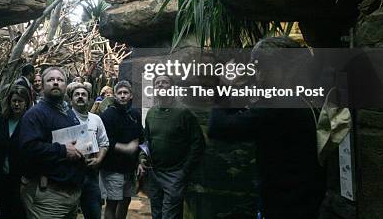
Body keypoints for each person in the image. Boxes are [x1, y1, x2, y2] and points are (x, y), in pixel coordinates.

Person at [207, 36, 326, 219]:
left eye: (260, 66)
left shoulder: (279, 106)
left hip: (284, 208)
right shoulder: (302, 98)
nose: (256, 73)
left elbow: (219, 127)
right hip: (304, 202)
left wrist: (223, 87)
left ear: (282, 68)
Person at [19, 66, 87, 219]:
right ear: (42, 86)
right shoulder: (35, 114)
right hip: (48, 194)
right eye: (50, 80)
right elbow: (28, 148)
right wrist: (62, 151)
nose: (56, 83)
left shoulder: (68, 111)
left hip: (71, 193)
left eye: (60, 80)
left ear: (66, 85)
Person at [139, 75, 205, 219]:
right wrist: (142, 158)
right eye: (157, 83)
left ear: (172, 87)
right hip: (154, 172)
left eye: (165, 82)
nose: (161, 85)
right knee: (156, 214)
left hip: (175, 174)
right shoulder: (151, 113)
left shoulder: (184, 113)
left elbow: (198, 143)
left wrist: (184, 170)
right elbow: (146, 140)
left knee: (170, 216)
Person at [0, 86, 31, 219]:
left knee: (19, 211)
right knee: (3, 210)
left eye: (20, 101)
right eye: (14, 100)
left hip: (21, 177)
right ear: (9, 102)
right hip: (1, 174)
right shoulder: (1, 120)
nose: (16, 104)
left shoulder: (30, 122)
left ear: (26, 102)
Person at [100, 80, 143, 219]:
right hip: (112, 167)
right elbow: (104, 140)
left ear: (131, 95)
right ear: (114, 96)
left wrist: (140, 161)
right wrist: (124, 148)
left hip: (129, 168)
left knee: (126, 201)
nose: (123, 96)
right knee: (112, 203)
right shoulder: (108, 115)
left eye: (126, 93)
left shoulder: (135, 114)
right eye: (120, 93)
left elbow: (140, 138)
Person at [69, 82, 109, 219]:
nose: (80, 97)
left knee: (94, 213)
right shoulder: (64, 118)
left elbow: (104, 143)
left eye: (83, 94)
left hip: (91, 174)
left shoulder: (96, 119)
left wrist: (99, 159)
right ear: (71, 99)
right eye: (77, 95)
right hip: (69, 174)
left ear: (89, 99)